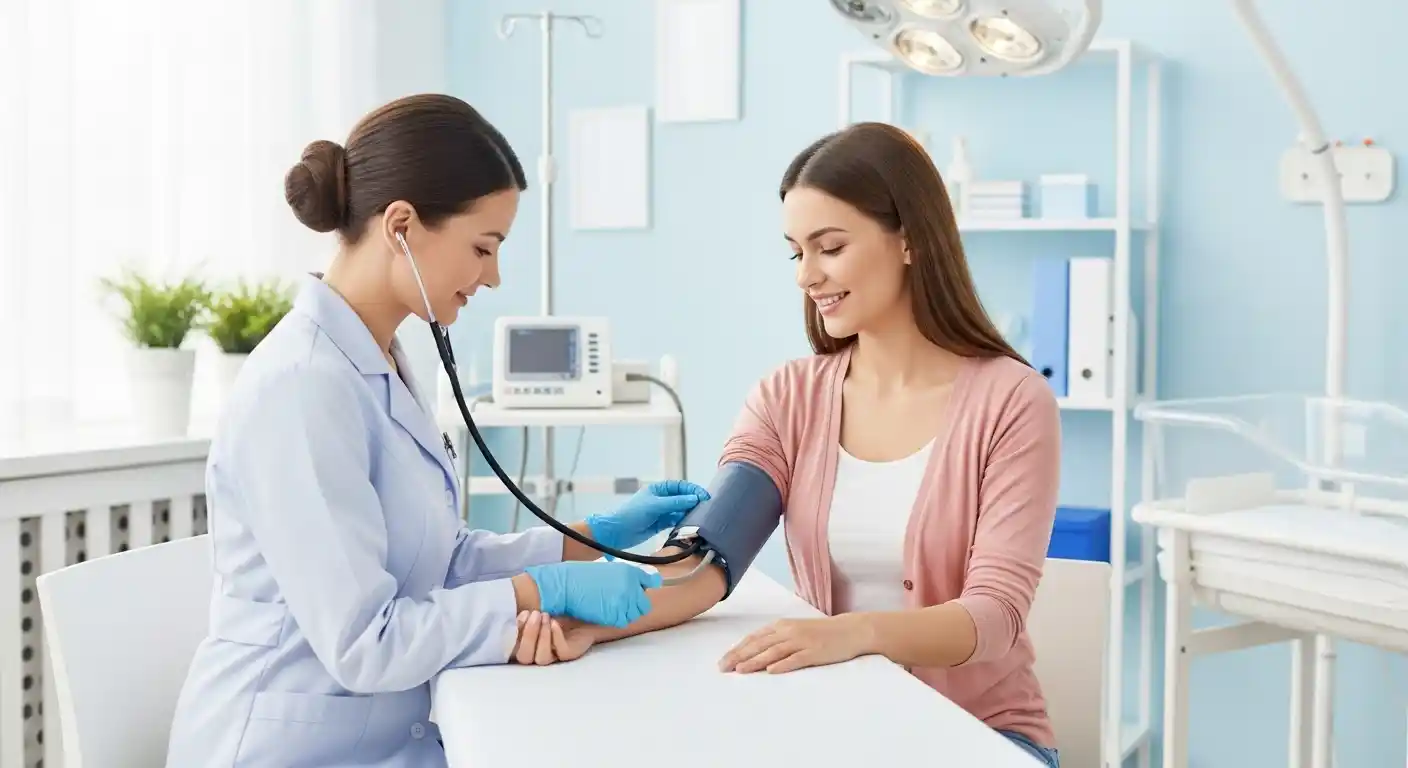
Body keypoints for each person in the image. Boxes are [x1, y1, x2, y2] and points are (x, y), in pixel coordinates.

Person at [163, 93, 709, 768]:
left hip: (384, 733)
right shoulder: (302, 388)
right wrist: (541, 592)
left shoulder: (380, 358)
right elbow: (367, 642)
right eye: (483, 247)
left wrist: (588, 540)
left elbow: (436, 561)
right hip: (289, 747)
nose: (494, 276)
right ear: (401, 226)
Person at [515, 122, 1062, 767]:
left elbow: (994, 616)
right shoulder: (787, 399)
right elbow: (702, 563)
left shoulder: (1012, 401)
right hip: (847, 729)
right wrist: (594, 627)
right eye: (795, 252)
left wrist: (853, 635)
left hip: (981, 735)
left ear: (910, 239)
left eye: (829, 247)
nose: (808, 274)